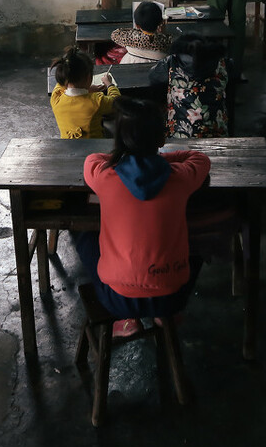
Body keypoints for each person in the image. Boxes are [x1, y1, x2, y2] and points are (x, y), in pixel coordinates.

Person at [76, 97, 211, 337]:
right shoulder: (180, 177)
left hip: (118, 299)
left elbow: (91, 160)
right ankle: (163, 315)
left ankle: (128, 321)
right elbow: (200, 158)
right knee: (198, 243)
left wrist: (126, 157)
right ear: (161, 139)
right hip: (173, 296)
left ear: (119, 141)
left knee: (85, 237)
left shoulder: (105, 176)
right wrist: (159, 160)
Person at [149, 32, 233, 139]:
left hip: (179, 134)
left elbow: (153, 76)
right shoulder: (223, 64)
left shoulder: (171, 62)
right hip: (217, 132)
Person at [49, 46, 120, 139]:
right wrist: (109, 84)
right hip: (94, 148)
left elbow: (62, 83)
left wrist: (87, 90)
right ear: (89, 77)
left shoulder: (56, 97)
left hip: (67, 147)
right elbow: (117, 101)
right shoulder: (97, 101)